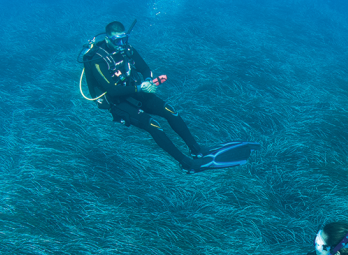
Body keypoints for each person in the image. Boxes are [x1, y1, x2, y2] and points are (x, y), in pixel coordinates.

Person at [81, 21, 257, 173]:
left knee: (170, 111)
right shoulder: (97, 60)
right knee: (153, 125)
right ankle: (187, 164)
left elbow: (144, 68)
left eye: (124, 38)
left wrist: (148, 81)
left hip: (135, 91)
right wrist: (140, 87)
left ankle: (197, 150)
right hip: (118, 101)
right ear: (107, 39)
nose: (122, 43)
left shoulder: (128, 49)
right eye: (117, 40)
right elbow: (112, 91)